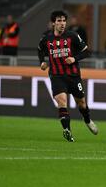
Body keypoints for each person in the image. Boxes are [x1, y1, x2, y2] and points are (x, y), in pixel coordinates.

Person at [37, 10, 98, 142]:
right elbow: (40, 49)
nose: (62, 23)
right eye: (59, 21)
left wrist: (74, 59)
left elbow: (87, 52)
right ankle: (67, 130)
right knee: (62, 101)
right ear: (53, 23)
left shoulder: (73, 36)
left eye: (64, 20)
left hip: (73, 76)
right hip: (57, 75)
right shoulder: (46, 38)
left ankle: (87, 120)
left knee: (81, 103)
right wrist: (42, 61)